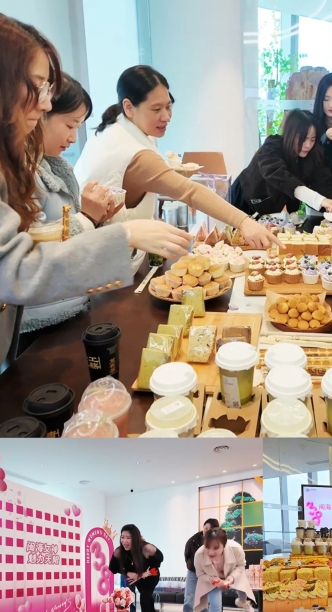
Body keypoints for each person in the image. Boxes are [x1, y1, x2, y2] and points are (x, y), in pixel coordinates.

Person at [0, 15, 192, 368]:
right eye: (39, 87)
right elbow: (17, 269)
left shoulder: (48, 165)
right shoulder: (122, 147)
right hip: (40, 322)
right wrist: (120, 232)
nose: (45, 103)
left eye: (169, 107)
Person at [74, 65, 280, 250]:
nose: (166, 116)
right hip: (102, 255)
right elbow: (189, 191)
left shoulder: (114, 128)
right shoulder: (133, 151)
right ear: (128, 107)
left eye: (168, 106)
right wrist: (244, 222)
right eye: (156, 109)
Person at [21, 72, 135, 332]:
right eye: (70, 125)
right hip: (38, 318)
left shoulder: (55, 166)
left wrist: (97, 218)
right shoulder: (21, 173)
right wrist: (88, 218)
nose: (73, 138)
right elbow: (32, 250)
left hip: (69, 305)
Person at [230, 109, 332, 217]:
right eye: (303, 139)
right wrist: (319, 200)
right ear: (291, 134)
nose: (308, 145)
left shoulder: (311, 154)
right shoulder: (272, 146)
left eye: (312, 139)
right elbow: (279, 175)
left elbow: (324, 179)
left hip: (270, 208)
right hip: (245, 199)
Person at [194, 528, 255, 612]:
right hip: (212, 579)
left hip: (232, 574)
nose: (211, 552)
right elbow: (200, 574)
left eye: (216, 548)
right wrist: (213, 580)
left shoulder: (236, 549)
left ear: (224, 545)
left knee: (242, 591)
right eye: (207, 547)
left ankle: (242, 601)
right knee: (215, 605)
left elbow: (241, 566)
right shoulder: (199, 555)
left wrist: (231, 578)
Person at [108, 524, 164, 612]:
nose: (124, 541)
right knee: (145, 594)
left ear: (136, 538)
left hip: (150, 575)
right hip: (136, 577)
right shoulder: (119, 551)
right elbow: (112, 568)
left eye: (128, 538)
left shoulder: (146, 548)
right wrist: (129, 573)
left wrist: (146, 572)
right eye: (122, 537)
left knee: (144, 596)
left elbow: (160, 558)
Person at [179, 517, 219, 612]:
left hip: (206, 574)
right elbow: (187, 554)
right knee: (189, 598)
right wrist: (191, 565)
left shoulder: (216, 542)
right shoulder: (193, 540)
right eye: (206, 527)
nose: (207, 530)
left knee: (202, 599)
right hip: (193, 572)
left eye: (210, 529)